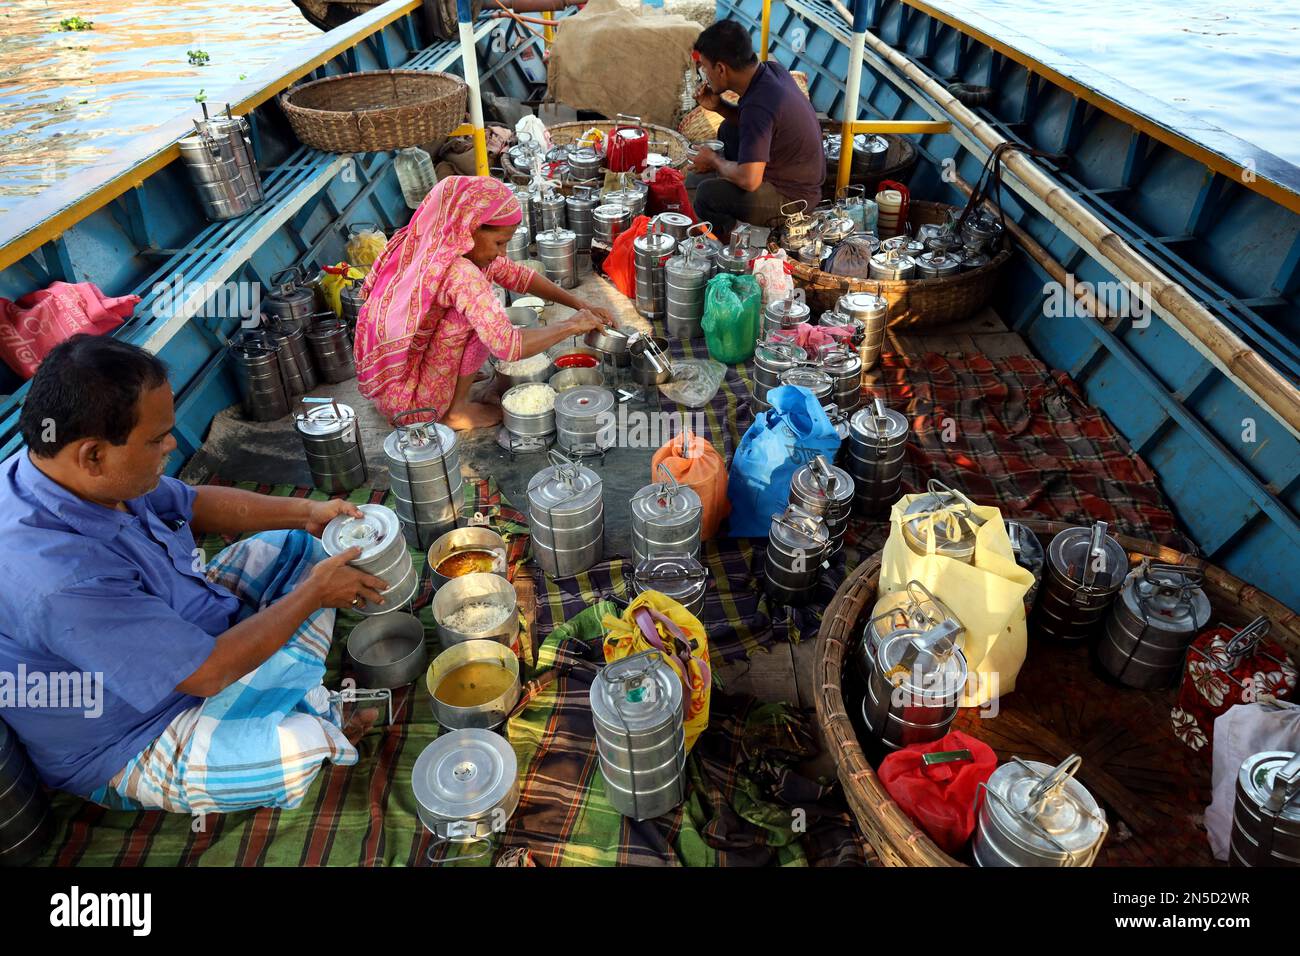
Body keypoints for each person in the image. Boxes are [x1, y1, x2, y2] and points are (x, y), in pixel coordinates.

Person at [0, 335, 388, 814]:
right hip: (135, 733)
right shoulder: (60, 581)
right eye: (155, 439)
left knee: (304, 548)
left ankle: (276, 684)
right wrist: (313, 596)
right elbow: (207, 674)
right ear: (93, 455)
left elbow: (191, 503)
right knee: (294, 752)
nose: (170, 444)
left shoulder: (66, 469)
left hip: (180, 629)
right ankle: (299, 708)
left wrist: (307, 511)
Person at [354, 175, 616, 430]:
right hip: (415, 407)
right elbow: (508, 346)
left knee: (480, 303)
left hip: (392, 384)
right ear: (471, 226)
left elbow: (518, 276)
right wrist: (572, 326)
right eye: (499, 243)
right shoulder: (460, 272)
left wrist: (581, 305)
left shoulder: (432, 239)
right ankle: (456, 412)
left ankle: (452, 383)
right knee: (480, 316)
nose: (502, 252)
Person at [688, 19, 825, 239]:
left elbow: (749, 180)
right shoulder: (771, 71)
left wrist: (714, 161)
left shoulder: (758, 105)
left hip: (793, 199)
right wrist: (718, 106)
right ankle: (731, 188)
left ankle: (734, 246)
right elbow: (757, 122)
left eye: (705, 67)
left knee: (706, 195)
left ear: (721, 69)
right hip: (798, 175)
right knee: (727, 130)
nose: (705, 75)